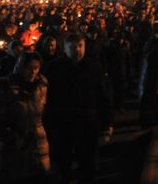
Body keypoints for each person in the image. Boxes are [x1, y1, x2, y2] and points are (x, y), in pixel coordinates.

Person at [44, 33, 112, 184]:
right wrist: (48, 125)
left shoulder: (94, 66)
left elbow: (102, 95)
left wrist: (107, 122)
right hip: (63, 123)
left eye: (80, 46)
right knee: (63, 162)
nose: (78, 50)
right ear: (65, 49)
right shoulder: (54, 68)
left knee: (88, 162)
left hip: (87, 122)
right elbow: (47, 99)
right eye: (73, 47)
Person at [0, 52, 50, 184]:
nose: (33, 72)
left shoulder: (42, 86)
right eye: (29, 67)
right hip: (13, 147)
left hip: (37, 144)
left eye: (36, 67)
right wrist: (13, 139)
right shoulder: (6, 88)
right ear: (20, 67)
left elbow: (45, 114)